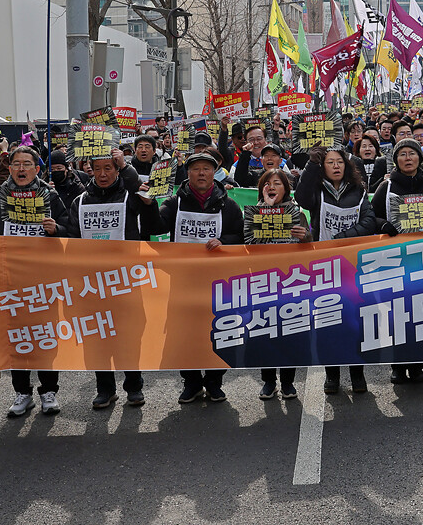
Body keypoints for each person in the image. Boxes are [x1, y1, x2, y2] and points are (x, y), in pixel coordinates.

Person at [0, 145, 72, 417]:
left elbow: (72, 232)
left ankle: (49, 391)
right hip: (10, 282)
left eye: (27, 164)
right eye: (16, 164)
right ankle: (22, 392)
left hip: (44, 282)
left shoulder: (50, 197)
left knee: (45, 337)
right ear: (10, 168)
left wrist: (57, 229)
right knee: (16, 337)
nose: (21, 169)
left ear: (37, 169)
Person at [68, 153, 161, 410]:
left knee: (129, 335)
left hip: (126, 281)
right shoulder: (80, 201)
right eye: (97, 168)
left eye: (108, 168)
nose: (103, 174)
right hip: (92, 284)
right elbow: (72, 241)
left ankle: (134, 386)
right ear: (90, 170)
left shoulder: (131, 198)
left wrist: (146, 199)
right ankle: (105, 389)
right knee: (97, 339)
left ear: (117, 170)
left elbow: (153, 225)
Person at [158, 148, 245, 403]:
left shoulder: (228, 205)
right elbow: (157, 228)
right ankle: (192, 382)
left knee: (218, 331)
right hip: (183, 280)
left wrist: (223, 241)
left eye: (206, 168)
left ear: (214, 173)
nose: (201, 173)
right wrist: (150, 204)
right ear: (188, 173)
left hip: (217, 281)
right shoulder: (174, 203)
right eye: (196, 169)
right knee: (185, 333)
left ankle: (215, 382)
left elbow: (241, 236)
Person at [297, 147, 379, 395]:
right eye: (330, 162)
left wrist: (342, 239)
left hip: (353, 266)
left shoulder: (358, 191)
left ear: (346, 166)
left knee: (355, 322)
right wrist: (311, 164)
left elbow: (369, 221)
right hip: (323, 267)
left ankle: (357, 374)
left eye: (340, 162)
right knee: (328, 323)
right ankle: (332, 375)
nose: (335, 166)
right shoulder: (316, 191)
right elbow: (301, 198)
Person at [371, 137, 423, 384]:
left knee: (422, 312)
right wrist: (383, 225)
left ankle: (417, 365)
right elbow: (370, 217)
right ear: (396, 160)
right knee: (396, 314)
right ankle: (397, 365)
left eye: (412, 153)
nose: (408, 158)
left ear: (420, 157)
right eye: (403, 154)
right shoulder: (386, 187)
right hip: (393, 261)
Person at [247, 169, 312, 400]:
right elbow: (250, 245)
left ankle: (287, 382)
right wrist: (266, 208)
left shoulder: (297, 213)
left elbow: (310, 247)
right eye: (267, 183)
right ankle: (268, 381)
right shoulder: (253, 212)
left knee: (289, 333)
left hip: (290, 282)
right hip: (263, 281)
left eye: (277, 183)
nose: (272, 187)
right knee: (265, 333)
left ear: (286, 188)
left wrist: (305, 237)